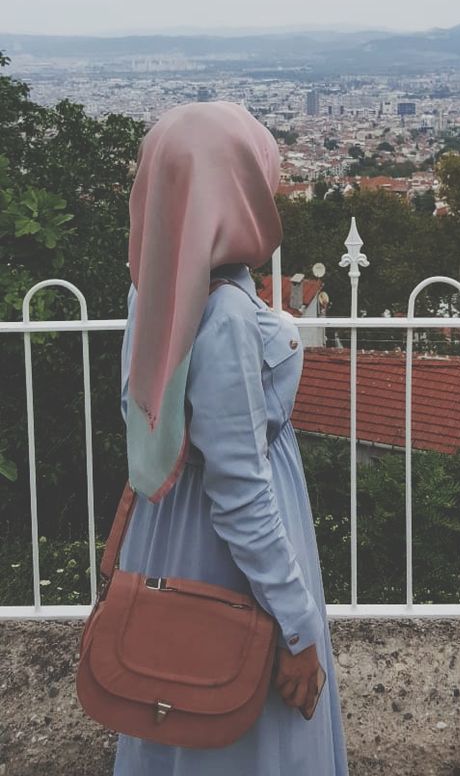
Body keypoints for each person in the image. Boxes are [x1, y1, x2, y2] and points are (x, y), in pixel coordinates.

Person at [112, 101, 349, 775]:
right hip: (233, 563)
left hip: (167, 534)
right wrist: (297, 627)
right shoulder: (225, 315)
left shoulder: (154, 283)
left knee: (174, 706)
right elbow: (241, 489)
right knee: (237, 719)